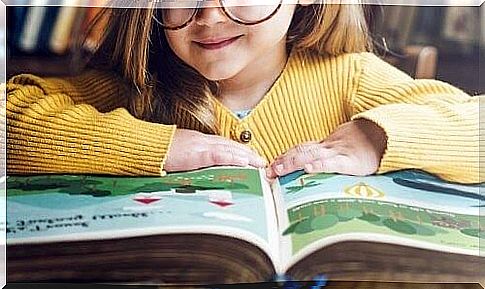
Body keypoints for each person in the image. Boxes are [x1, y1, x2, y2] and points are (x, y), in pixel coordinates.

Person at [6, 0, 480, 184]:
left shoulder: (349, 76)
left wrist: (374, 138)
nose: (209, 14)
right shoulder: (138, 88)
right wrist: (156, 146)